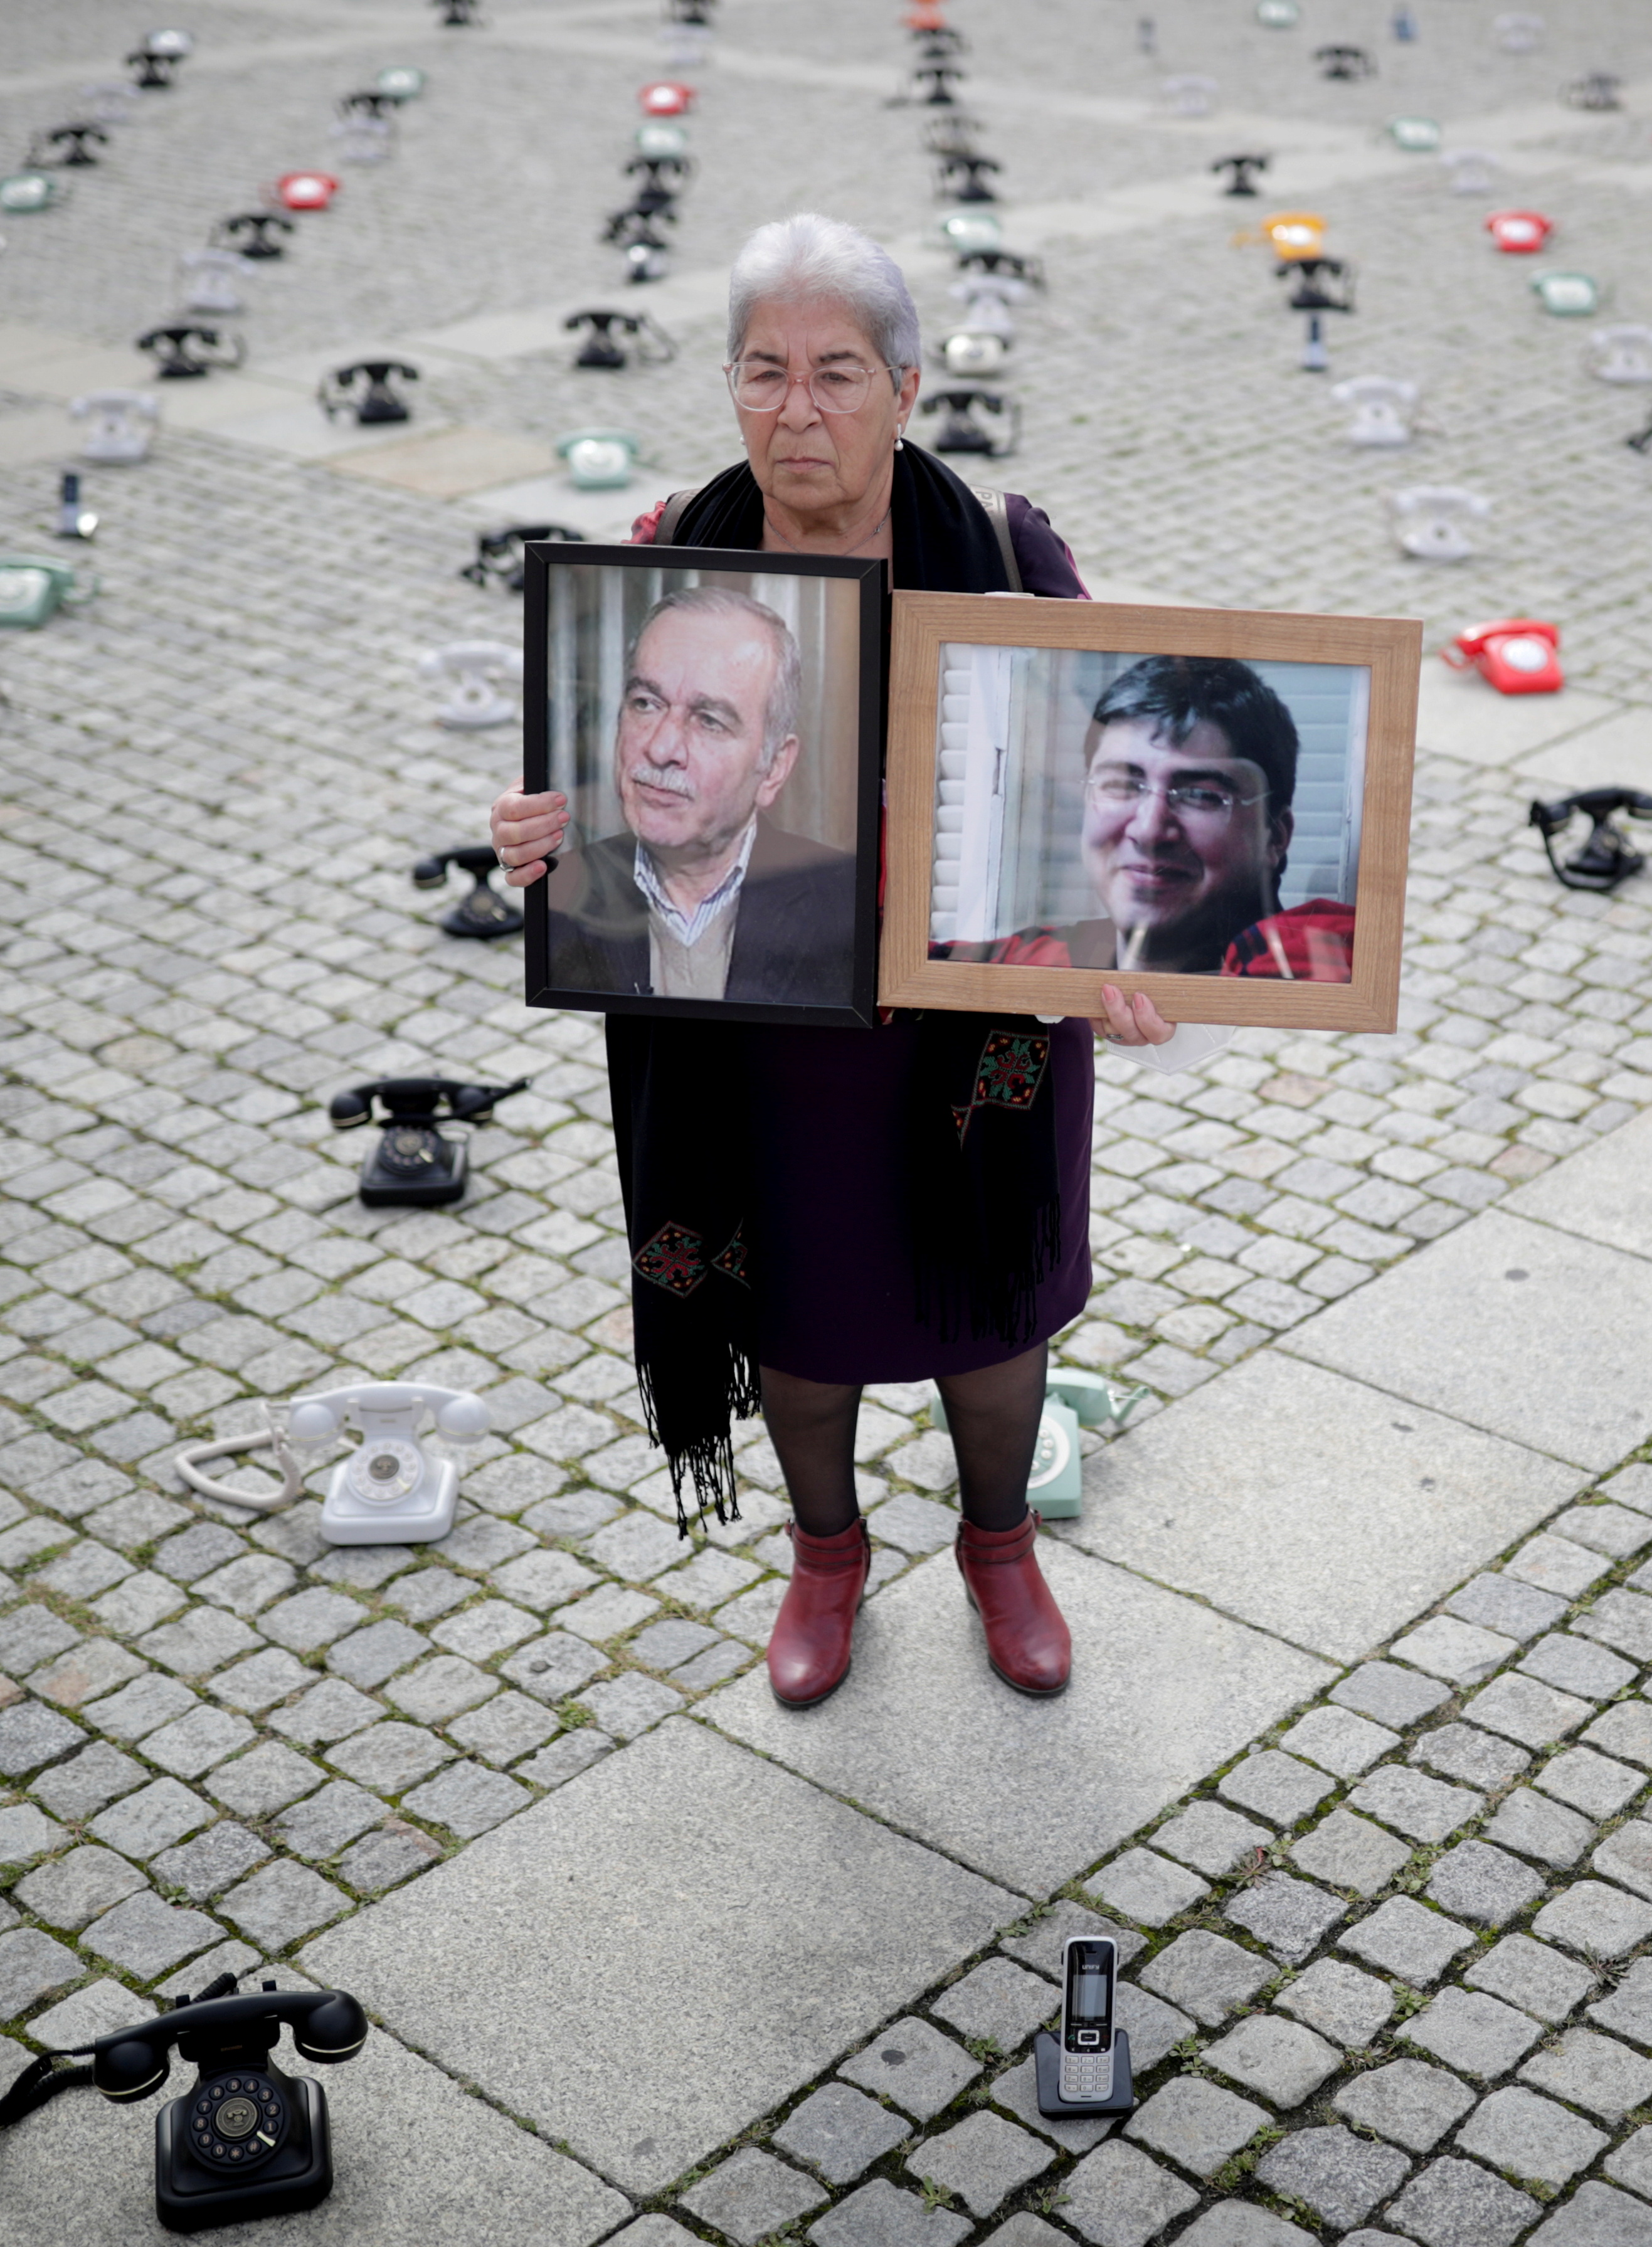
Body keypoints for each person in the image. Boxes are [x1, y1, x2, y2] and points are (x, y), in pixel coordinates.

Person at [488, 213, 1222, 1710]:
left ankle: (998, 1541)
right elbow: (613, 792)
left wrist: (1133, 957)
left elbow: (1104, 783)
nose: (796, 408)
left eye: (834, 373)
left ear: (904, 386)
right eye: (764, 372)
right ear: (729, 385)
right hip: (757, 1034)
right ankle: (826, 1550)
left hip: (973, 1026)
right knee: (797, 1312)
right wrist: (541, 837)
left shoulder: (1006, 553)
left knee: (988, 1315)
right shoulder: (659, 561)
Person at [941, 655, 1357, 982]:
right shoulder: (1040, 961)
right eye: (1123, 784)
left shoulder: (1318, 962)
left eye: (1201, 795)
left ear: (1276, 837)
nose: (1149, 829)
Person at [545, 586, 855, 1007]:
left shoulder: (845, 907)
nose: (662, 748)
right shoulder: (560, 894)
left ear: (775, 767)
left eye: (709, 720)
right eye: (646, 703)